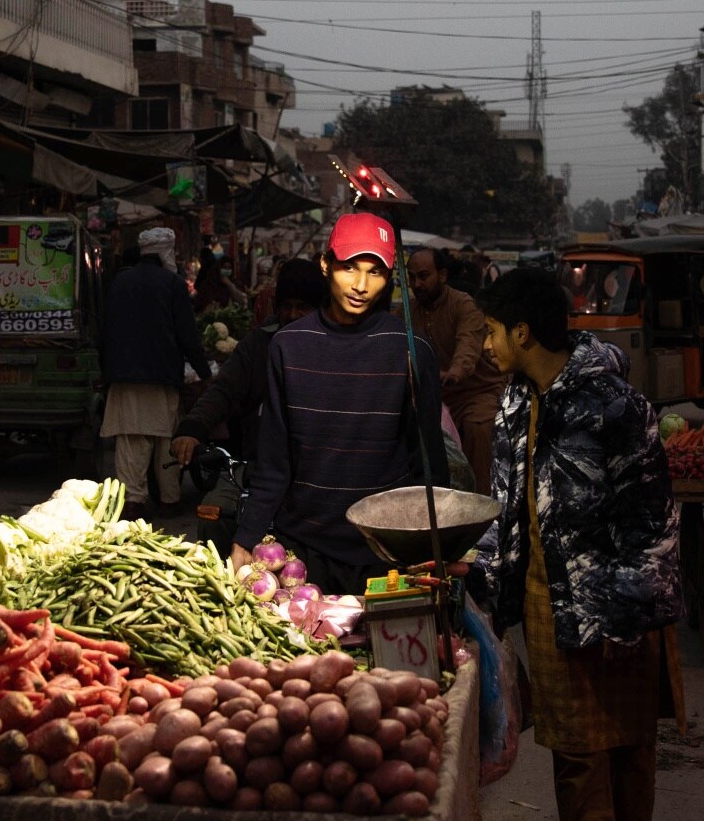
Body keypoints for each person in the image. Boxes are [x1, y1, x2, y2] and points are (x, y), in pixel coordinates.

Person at [466, 265, 685, 821]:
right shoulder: (510, 406)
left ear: (522, 332)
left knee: (630, 744)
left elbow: (654, 519)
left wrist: (627, 613)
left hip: (617, 602)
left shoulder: (615, 407)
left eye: (493, 333)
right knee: (576, 756)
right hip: (541, 599)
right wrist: (478, 580)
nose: (486, 347)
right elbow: (507, 511)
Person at [231, 213, 452, 595]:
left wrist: (431, 545)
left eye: (375, 272)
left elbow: (428, 462)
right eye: (349, 267)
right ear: (325, 264)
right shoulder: (288, 346)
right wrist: (246, 536)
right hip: (303, 552)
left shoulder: (412, 351)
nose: (361, 285)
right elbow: (273, 460)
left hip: (385, 553)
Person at [172, 258, 328, 465]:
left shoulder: (333, 345)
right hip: (260, 464)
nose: (292, 314)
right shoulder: (259, 343)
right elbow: (225, 389)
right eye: (286, 306)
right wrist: (192, 428)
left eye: (302, 307)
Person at [101, 226, 210, 517]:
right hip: (162, 376)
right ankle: (169, 499)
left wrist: (106, 371)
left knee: (130, 440)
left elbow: (105, 329)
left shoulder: (120, 281)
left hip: (123, 376)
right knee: (166, 439)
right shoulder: (172, 283)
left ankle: (133, 500)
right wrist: (205, 372)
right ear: (166, 252)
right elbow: (188, 335)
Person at [407, 246, 507, 495]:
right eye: (412, 277)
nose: (417, 283)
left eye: (423, 276)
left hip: (477, 392)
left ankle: (482, 505)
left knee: (477, 429)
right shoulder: (407, 312)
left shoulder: (464, 305)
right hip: (435, 397)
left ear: (442, 275)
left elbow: (468, 346)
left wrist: (454, 372)